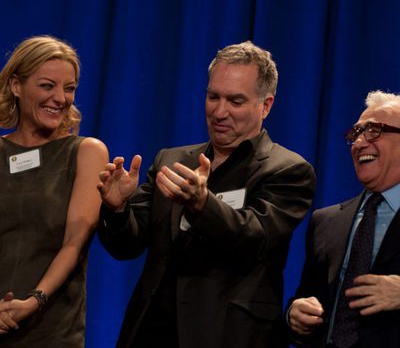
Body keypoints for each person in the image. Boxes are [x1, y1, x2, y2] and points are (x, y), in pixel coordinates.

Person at [97, 40, 316, 348]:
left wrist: (202, 204)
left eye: (235, 101)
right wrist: (117, 208)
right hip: (151, 333)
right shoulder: (171, 161)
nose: (219, 111)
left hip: (228, 335)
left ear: (265, 105)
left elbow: (253, 239)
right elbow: (127, 246)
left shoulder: (287, 170)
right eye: (213, 97)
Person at [0, 35, 108, 346]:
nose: (60, 98)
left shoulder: (87, 153)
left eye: (69, 88)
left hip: (52, 331)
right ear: (16, 86)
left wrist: (33, 301)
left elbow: (74, 243)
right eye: (47, 86)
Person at [287, 90, 400, 348]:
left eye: (373, 131)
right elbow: (307, 297)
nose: (359, 143)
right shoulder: (326, 221)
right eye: (356, 134)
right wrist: (294, 313)